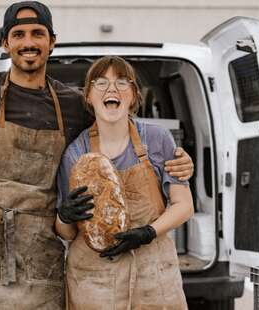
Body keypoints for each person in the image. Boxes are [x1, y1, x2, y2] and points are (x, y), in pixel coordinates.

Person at [0, 1, 193, 309]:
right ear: (6, 43)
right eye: (18, 35)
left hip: (38, 261)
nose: (28, 42)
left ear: (51, 41)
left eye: (37, 33)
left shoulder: (73, 106)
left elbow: (118, 127)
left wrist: (179, 161)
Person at [55, 56, 194, 309]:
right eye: (101, 83)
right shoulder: (75, 153)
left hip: (154, 274)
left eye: (122, 82)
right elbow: (67, 233)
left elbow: (183, 205)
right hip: (94, 281)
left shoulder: (157, 139)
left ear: (134, 95)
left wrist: (148, 232)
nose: (111, 89)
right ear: (87, 96)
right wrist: (64, 216)